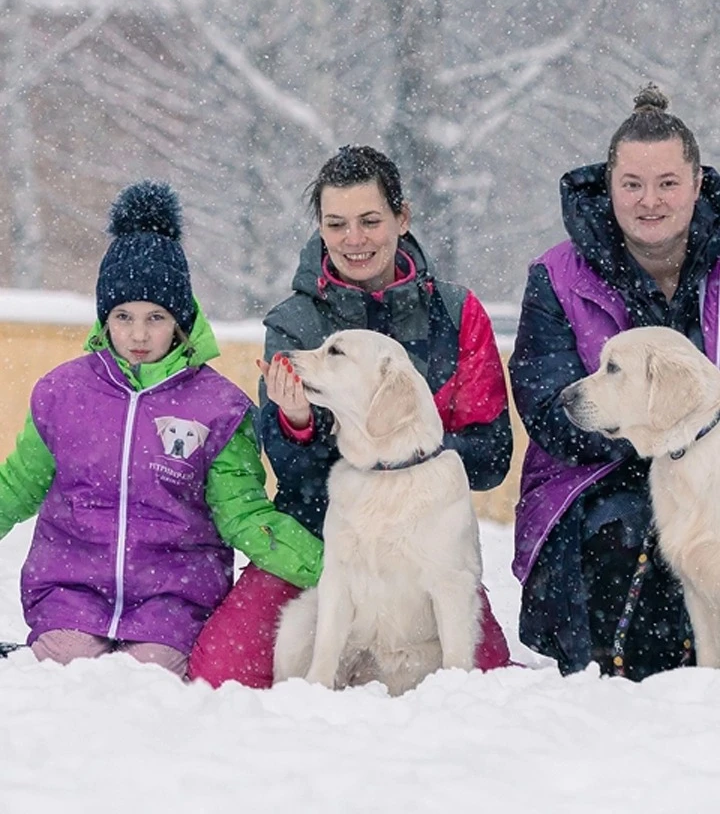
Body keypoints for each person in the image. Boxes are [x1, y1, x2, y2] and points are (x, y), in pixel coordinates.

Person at [188, 145, 514, 688]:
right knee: (223, 674)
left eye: (369, 221)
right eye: (336, 224)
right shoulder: (294, 322)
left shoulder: (457, 313)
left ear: (401, 218)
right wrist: (299, 424)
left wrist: (407, 456)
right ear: (320, 227)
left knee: (489, 683)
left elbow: (491, 457)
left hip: (424, 545)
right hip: (319, 539)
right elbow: (291, 472)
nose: (353, 240)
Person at [0, 181, 322, 678]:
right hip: (69, 592)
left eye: (156, 317)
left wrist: (331, 568)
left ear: (181, 320)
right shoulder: (62, 395)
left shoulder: (218, 408)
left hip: (171, 602)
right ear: (105, 318)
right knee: (69, 672)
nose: (138, 334)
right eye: (123, 316)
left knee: (145, 679)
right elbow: (15, 488)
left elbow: (244, 515)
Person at [509, 84, 720, 681]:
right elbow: (549, 406)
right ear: (609, 185)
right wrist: (657, 441)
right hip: (591, 480)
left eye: (668, 183)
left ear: (698, 184)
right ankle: (625, 693)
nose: (649, 200)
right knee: (629, 527)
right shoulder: (555, 276)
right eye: (632, 184)